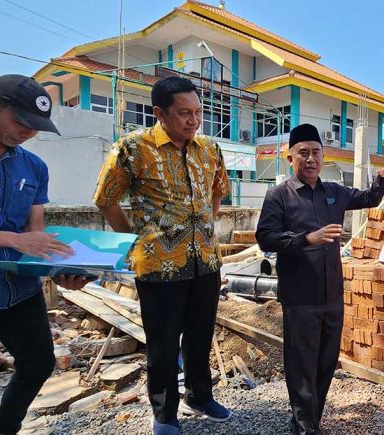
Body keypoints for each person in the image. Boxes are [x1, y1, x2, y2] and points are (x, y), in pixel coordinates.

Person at [0, 74, 90, 435]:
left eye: (36, 126)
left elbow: (34, 234)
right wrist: (13, 240)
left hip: (18, 289)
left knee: (39, 363)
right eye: (20, 122)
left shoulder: (33, 167)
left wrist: (63, 270)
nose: (27, 132)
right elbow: (20, 239)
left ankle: (6, 427)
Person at [93, 76, 231, 434]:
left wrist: (204, 225)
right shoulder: (132, 148)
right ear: (160, 113)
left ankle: (200, 396)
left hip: (206, 261)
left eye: (198, 112)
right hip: (158, 266)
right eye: (184, 113)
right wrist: (134, 240)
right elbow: (105, 199)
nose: (193, 120)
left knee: (201, 334)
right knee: (163, 342)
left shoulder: (209, 149)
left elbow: (218, 192)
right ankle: (165, 414)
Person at [255, 123, 384, 435]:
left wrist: (383, 178)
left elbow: (369, 198)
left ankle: (308, 417)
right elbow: (266, 238)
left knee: (326, 361)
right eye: (303, 153)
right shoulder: (279, 196)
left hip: (331, 296)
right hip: (300, 296)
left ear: (323, 156)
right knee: (301, 362)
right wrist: (307, 238)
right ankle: (304, 425)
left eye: (315, 152)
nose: (310, 159)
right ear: (290, 158)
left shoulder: (334, 193)